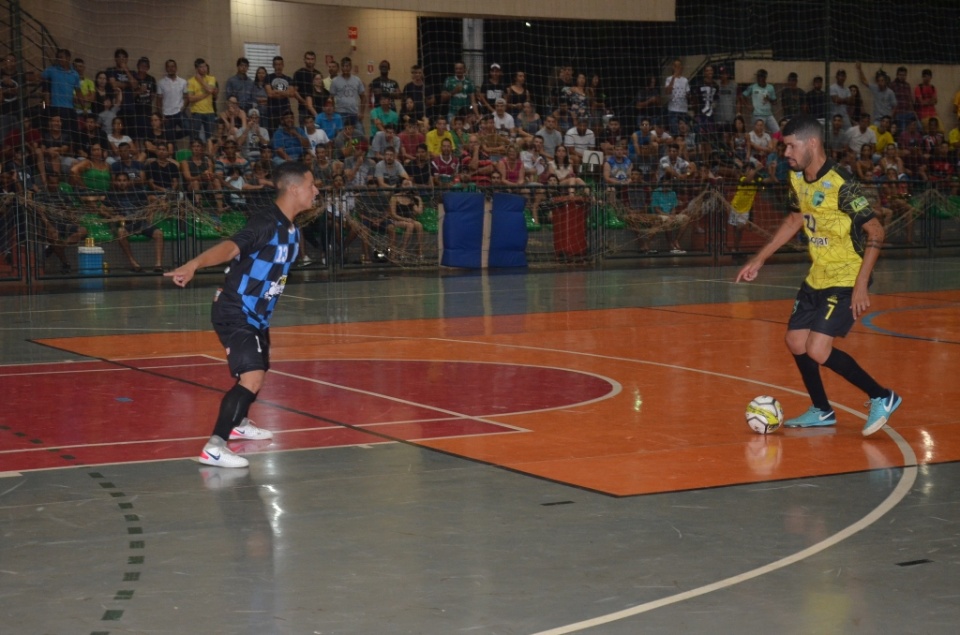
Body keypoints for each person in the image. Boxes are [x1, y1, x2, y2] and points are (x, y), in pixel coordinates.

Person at [735, 115, 901, 436]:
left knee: (817, 350)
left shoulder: (841, 182)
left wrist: (861, 284)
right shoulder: (797, 177)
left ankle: (882, 396)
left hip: (846, 275)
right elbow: (795, 220)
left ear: (812, 143)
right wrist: (760, 258)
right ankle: (822, 410)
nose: (786, 153)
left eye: (791, 146)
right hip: (818, 275)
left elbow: (876, 231)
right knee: (796, 341)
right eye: (785, 147)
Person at [165, 161, 317, 468]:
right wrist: (194, 264)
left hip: (256, 314)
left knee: (260, 369)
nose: (316, 191)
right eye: (312, 185)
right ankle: (215, 446)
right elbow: (231, 248)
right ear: (293, 188)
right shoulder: (266, 223)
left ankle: (238, 423)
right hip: (237, 310)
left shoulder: (291, 229)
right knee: (252, 376)